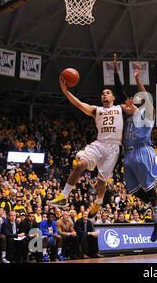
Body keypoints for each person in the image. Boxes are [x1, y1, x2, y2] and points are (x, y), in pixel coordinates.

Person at [49, 54, 129, 222]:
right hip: (99, 143)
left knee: (101, 182)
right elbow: (78, 104)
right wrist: (66, 92)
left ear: (113, 98)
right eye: (103, 93)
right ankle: (63, 196)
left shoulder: (121, 109)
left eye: (108, 93)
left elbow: (122, 91)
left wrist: (116, 71)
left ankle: (99, 202)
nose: (104, 94)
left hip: (114, 148)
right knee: (81, 164)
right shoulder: (96, 110)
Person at [121, 65, 157, 242]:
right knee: (133, 190)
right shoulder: (130, 114)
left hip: (142, 150)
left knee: (149, 186)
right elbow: (119, 107)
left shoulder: (148, 113)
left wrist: (138, 79)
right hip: (129, 154)